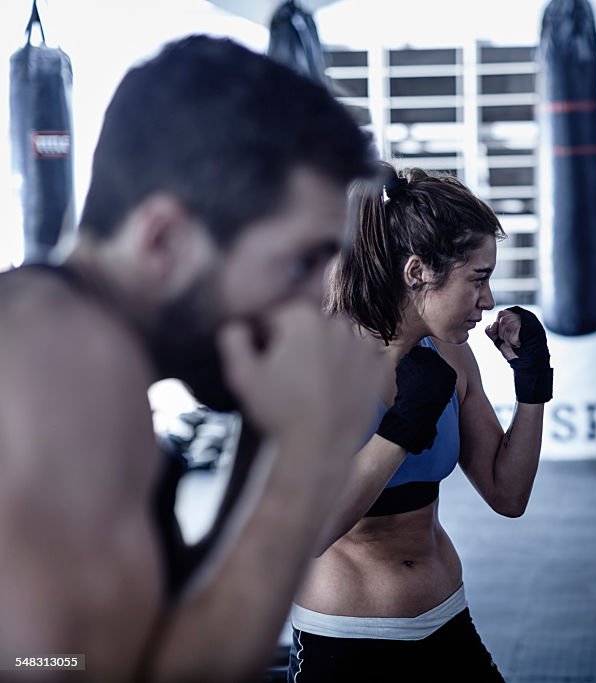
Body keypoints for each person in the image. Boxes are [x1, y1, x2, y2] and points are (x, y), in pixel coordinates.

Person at [0, 36, 389, 682]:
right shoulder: (70, 364)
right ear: (163, 239)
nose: (317, 298)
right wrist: (307, 454)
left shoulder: (50, 324)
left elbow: (156, 636)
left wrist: (272, 429)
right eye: (300, 262)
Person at [287, 164, 554, 681]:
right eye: (477, 279)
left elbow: (508, 494)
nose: (489, 300)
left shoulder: (452, 359)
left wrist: (533, 385)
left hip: (445, 619)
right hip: (345, 640)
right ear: (417, 273)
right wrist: (402, 426)